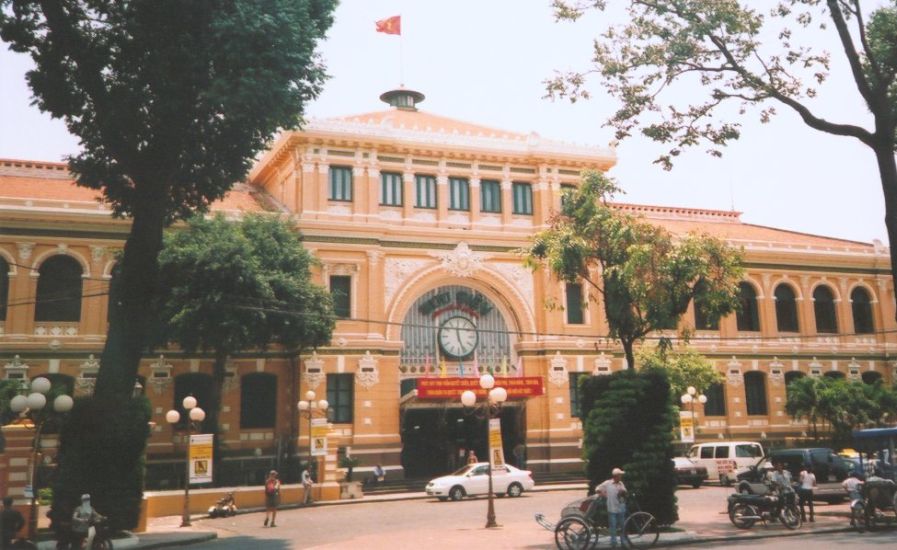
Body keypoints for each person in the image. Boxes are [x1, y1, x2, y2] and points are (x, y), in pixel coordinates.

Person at [597, 468, 627, 548]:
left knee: (622, 526)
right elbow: (598, 489)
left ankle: (623, 541)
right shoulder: (607, 483)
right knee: (613, 527)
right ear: (615, 476)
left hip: (621, 508)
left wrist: (622, 492)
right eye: (619, 475)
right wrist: (603, 494)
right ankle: (614, 542)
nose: (621, 477)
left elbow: (625, 492)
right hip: (612, 508)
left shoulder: (621, 484)